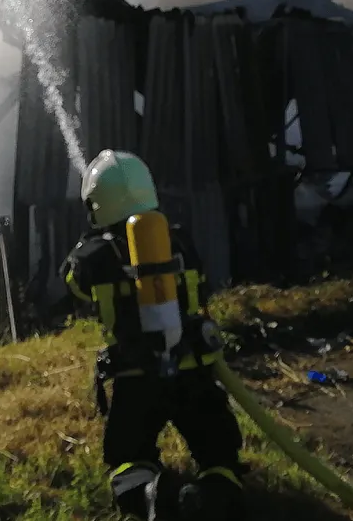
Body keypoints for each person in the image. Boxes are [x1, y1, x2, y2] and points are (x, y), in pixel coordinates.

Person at [58, 149, 247, 521]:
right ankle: (211, 496)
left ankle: (150, 496)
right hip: (193, 368)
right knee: (219, 452)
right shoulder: (177, 240)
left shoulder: (93, 255)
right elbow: (199, 280)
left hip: (136, 376)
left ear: (96, 204)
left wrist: (89, 245)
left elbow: (73, 285)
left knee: (127, 457)